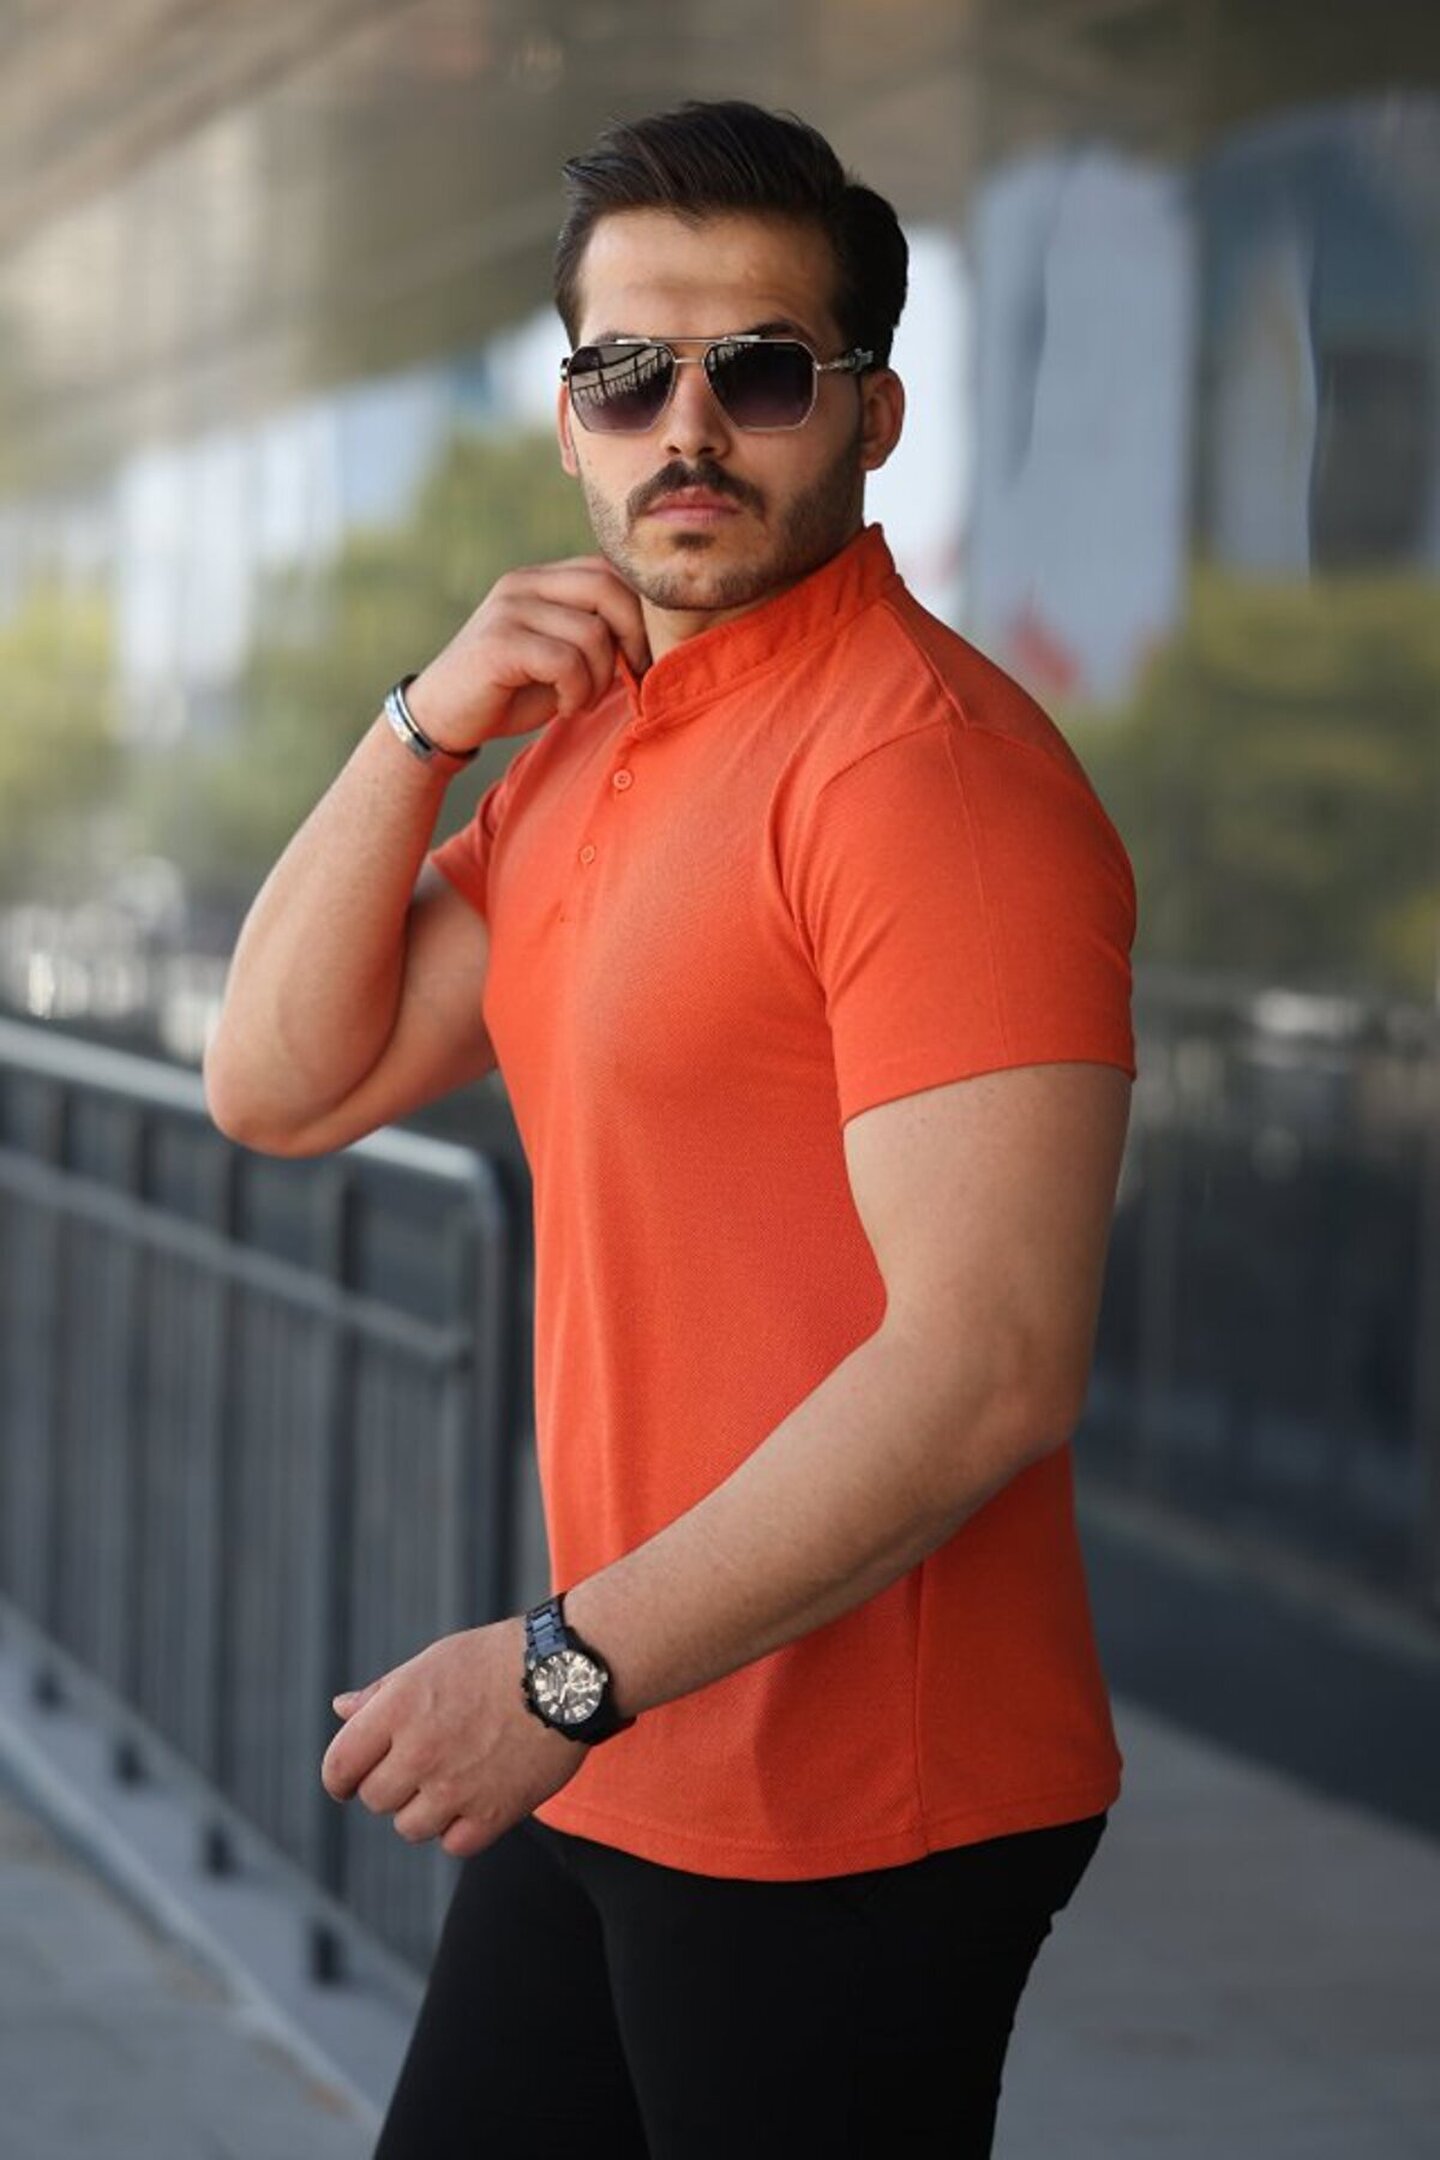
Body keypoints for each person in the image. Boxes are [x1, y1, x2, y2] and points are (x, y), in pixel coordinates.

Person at [204, 97, 1138, 2160]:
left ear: (873, 415)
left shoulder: (924, 779)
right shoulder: (591, 738)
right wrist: (419, 725)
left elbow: (989, 1363)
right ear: (571, 421)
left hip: (851, 1799)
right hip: (637, 1730)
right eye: (628, 373)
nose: (686, 427)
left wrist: (551, 1673)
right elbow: (278, 1081)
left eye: (761, 371)